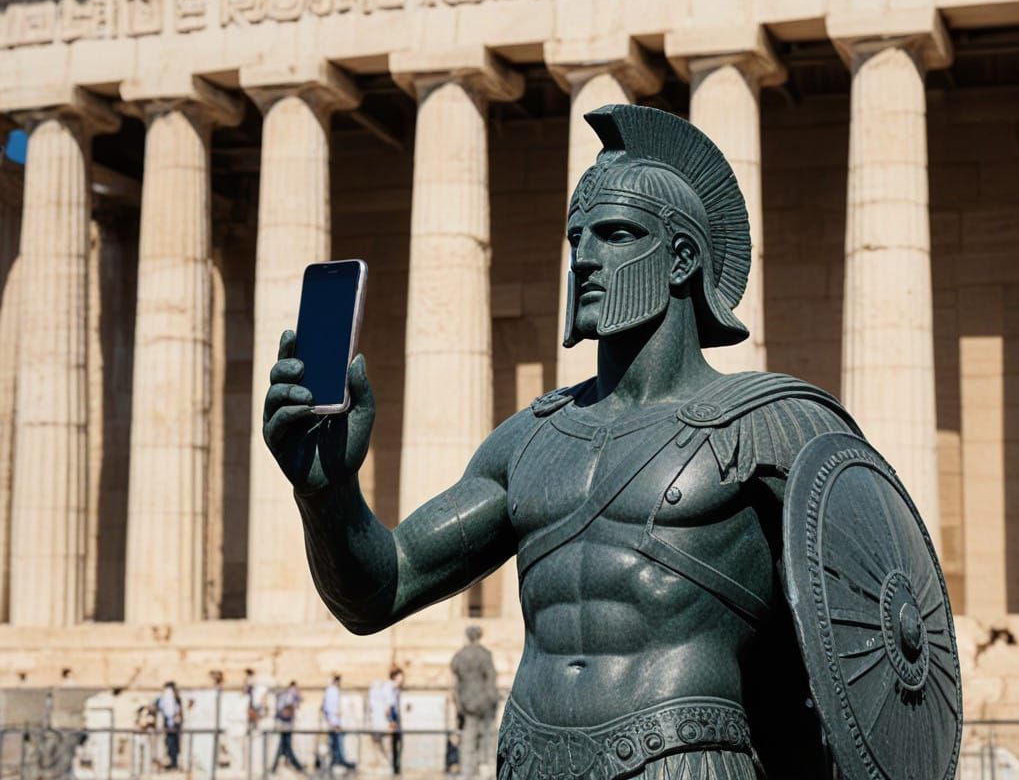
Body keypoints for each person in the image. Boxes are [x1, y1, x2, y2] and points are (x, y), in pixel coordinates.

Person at [262, 105, 882, 779]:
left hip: (686, 763)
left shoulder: (773, 426)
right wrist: (326, 492)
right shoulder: (530, 442)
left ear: (681, 260)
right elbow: (382, 589)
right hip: (532, 762)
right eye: (575, 238)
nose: (584, 257)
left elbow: (874, 641)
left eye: (615, 234)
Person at [450, 627, 499, 779]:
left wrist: (459, 705)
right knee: (487, 740)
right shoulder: (485, 655)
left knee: (468, 742)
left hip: (467, 706)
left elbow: (455, 685)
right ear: (479, 636)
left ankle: (467, 773)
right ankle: (488, 772)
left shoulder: (459, 656)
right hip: (485, 705)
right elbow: (491, 681)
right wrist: (493, 703)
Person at [322, 674, 356, 771]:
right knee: (336, 743)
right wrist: (334, 723)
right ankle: (337, 761)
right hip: (334, 722)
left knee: (334, 743)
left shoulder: (331, 691)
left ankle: (334, 762)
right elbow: (331, 708)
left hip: (333, 721)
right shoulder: (333, 691)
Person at [271, 680, 305, 773]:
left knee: (283, 746)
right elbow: (287, 709)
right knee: (286, 746)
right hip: (286, 724)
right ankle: (297, 766)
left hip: (285, 724)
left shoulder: (285, 694)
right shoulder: (290, 695)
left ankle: (276, 766)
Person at [156, 681, 183, 771]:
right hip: (170, 724)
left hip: (172, 725)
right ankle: (172, 762)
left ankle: (174, 763)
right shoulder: (170, 696)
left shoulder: (173, 697)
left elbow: (171, 711)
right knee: (170, 744)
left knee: (173, 744)